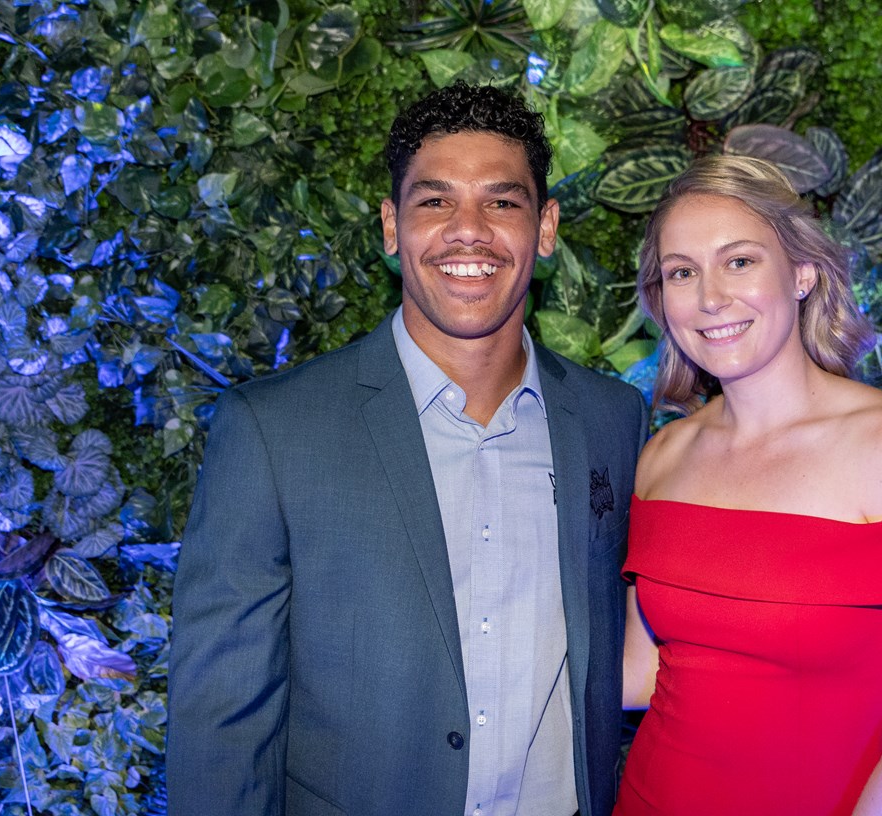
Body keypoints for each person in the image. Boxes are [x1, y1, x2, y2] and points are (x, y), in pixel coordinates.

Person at [166, 82, 647, 816]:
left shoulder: (613, 419)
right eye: (435, 201)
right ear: (392, 227)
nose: (469, 231)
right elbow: (221, 725)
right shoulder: (273, 430)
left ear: (545, 228)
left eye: (502, 202)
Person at [615, 156, 882, 815]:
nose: (710, 297)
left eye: (739, 261)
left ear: (802, 273)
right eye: (682, 272)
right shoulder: (663, 457)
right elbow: (641, 672)